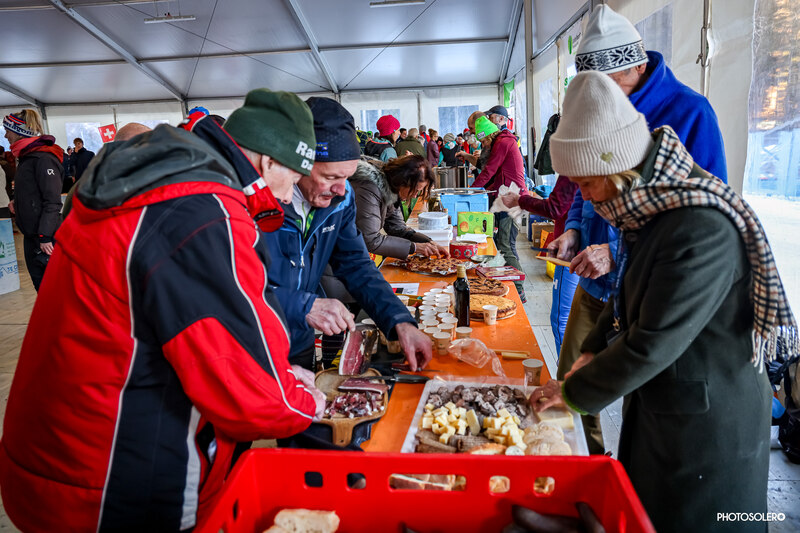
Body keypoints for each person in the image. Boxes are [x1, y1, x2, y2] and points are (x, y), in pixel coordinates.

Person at [0, 89, 328, 531]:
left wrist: (278, 374)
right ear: (269, 163)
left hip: (57, 456)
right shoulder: (201, 210)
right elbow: (240, 386)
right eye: (295, 177)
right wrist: (304, 401)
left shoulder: (164, 185)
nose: (289, 197)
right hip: (111, 481)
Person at [532, 70, 789, 533]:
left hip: (708, 427)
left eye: (586, 184)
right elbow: (626, 292)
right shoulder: (650, 209)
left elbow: (651, 342)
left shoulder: (699, 226)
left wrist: (572, 393)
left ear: (615, 168)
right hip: (668, 403)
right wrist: (592, 349)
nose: (584, 197)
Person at [547, 4, 729, 453]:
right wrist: (575, 226)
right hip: (605, 283)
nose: (604, 102)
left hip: (657, 299)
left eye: (610, 88)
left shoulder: (691, 117)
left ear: (637, 66)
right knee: (578, 373)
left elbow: (651, 343)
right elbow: (584, 182)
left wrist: (616, 252)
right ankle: (590, 461)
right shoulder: (615, 182)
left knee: (638, 396)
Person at [262, 97, 432, 372]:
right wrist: (304, 306)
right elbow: (230, 289)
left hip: (299, 342)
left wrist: (399, 320)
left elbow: (356, 263)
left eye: (347, 177)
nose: (342, 189)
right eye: (330, 177)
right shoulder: (259, 204)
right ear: (298, 163)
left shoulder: (340, 199)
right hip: (253, 348)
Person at [502, 175, 578, 354]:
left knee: (562, 319)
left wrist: (520, 200)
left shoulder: (574, 169)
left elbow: (555, 208)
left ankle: (564, 368)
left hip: (572, 255)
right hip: (581, 251)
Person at [3, 109, 63, 291]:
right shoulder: (26, 157)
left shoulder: (43, 158)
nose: (5, 136)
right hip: (32, 236)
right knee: (43, 290)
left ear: (19, 131)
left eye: (7, 131)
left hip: (45, 239)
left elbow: (52, 201)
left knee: (53, 291)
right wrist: (18, 202)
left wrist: (45, 236)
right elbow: (34, 192)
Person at [471, 116, 529, 301]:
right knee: (502, 243)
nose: (484, 145)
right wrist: (482, 190)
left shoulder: (502, 143)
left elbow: (489, 171)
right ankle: (509, 283)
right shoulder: (502, 141)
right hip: (506, 196)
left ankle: (519, 290)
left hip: (511, 199)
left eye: (483, 141)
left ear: (489, 135)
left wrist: (470, 191)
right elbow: (498, 176)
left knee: (505, 245)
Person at [350, 155, 449, 259]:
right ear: (402, 181)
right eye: (415, 190)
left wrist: (428, 242)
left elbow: (397, 228)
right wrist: (414, 247)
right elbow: (371, 240)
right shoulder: (368, 189)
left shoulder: (391, 187)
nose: (415, 196)